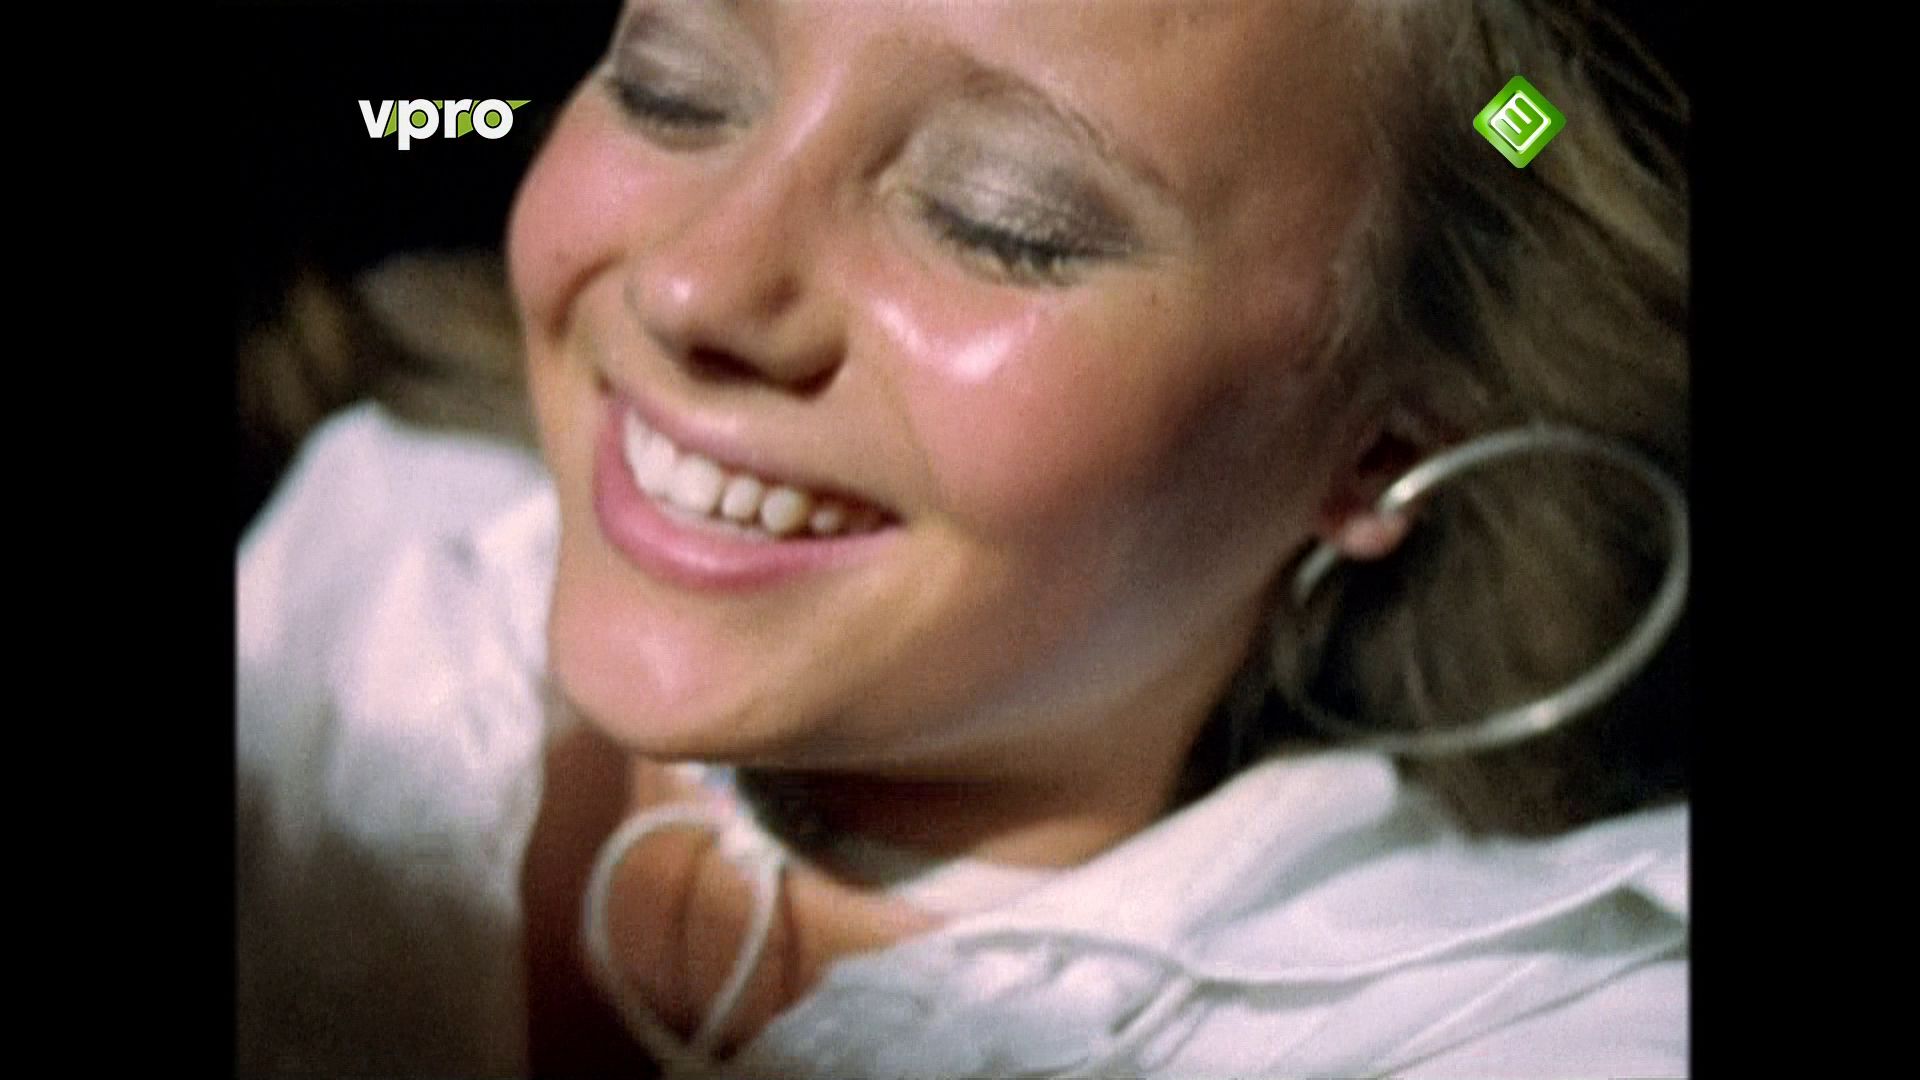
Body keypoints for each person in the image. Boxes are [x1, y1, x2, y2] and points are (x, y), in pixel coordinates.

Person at [236, 0, 1690, 1076]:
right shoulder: (365, 561)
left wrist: (1509, 131)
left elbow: (1520, 131)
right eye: (672, 89)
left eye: (1004, 222)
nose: (693, 287)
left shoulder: (1534, 1032)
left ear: (1384, 447)